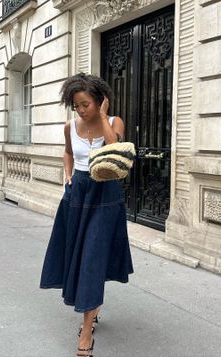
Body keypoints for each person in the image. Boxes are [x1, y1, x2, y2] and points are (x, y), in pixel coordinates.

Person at [40, 73, 134, 357]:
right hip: (77, 194)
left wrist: (103, 117)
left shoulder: (114, 121)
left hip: (105, 193)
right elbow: (68, 153)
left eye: (86, 104)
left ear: (99, 100)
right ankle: (92, 308)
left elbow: (114, 145)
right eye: (76, 105)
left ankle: (86, 329)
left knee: (93, 255)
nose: (81, 110)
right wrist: (67, 175)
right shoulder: (70, 126)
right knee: (80, 255)